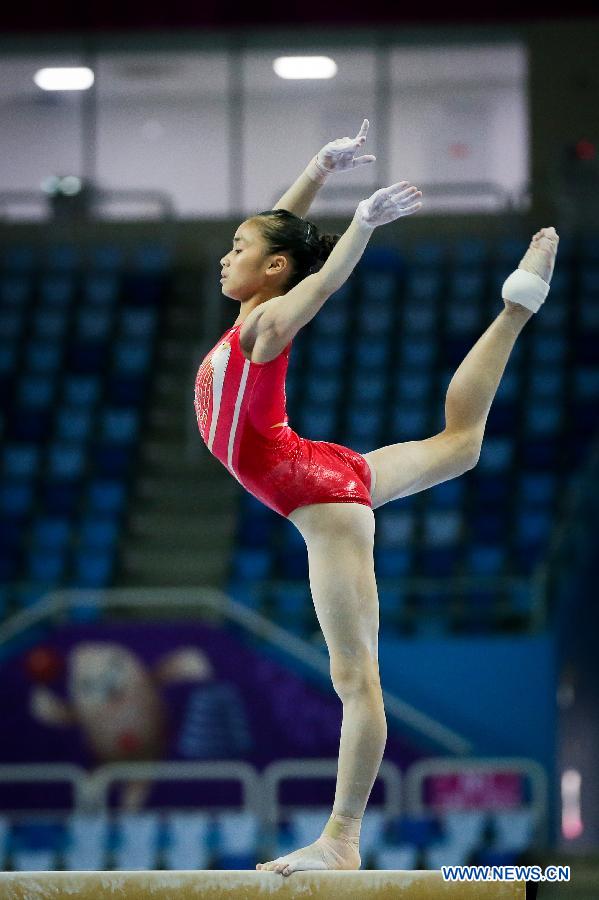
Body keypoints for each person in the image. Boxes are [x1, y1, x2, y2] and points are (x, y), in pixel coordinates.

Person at [193, 120, 559, 876]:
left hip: (320, 505)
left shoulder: (265, 323)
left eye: (238, 250)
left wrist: (357, 222)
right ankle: (517, 305)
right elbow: (282, 245)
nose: (226, 256)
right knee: (459, 446)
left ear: (270, 273)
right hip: (317, 467)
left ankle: (341, 838)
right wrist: (317, 172)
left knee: (355, 679)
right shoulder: (249, 310)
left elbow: (316, 280)